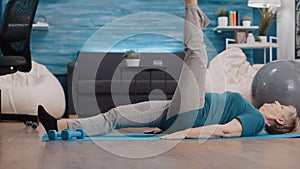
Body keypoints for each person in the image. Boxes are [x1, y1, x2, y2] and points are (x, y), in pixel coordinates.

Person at [38, 0, 300, 139]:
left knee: (197, 54)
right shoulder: (253, 114)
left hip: (191, 112)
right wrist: (171, 126)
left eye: (281, 107)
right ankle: (59, 124)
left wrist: (181, 131)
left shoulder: (255, 121)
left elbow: (223, 130)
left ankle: (190, 5)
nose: (276, 101)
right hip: (179, 110)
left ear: (277, 120)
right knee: (116, 115)